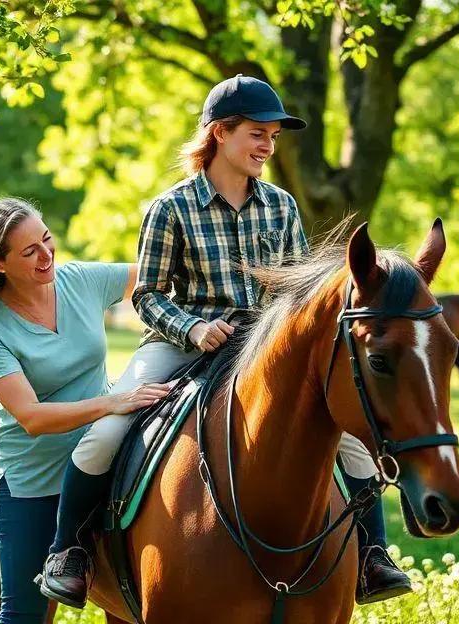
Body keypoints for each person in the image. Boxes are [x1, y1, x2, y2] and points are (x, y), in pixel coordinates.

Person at [39, 75, 411, 607]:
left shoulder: (280, 207)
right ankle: (68, 553)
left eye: (273, 137)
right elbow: (146, 294)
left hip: (262, 352)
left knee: (349, 437)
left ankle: (374, 555)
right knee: (106, 433)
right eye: (257, 134)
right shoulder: (171, 208)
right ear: (219, 133)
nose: (268, 146)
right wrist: (193, 327)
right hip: (181, 345)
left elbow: (297, 292)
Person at [0, 198, 173, 622]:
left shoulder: (79, 280)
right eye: (30, 252)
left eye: (47, 239)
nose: (47, 255)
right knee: (24, 615)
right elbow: (33, 417)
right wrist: (114, 402)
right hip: (34, 482)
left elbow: (153, 281)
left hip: (103, 462)